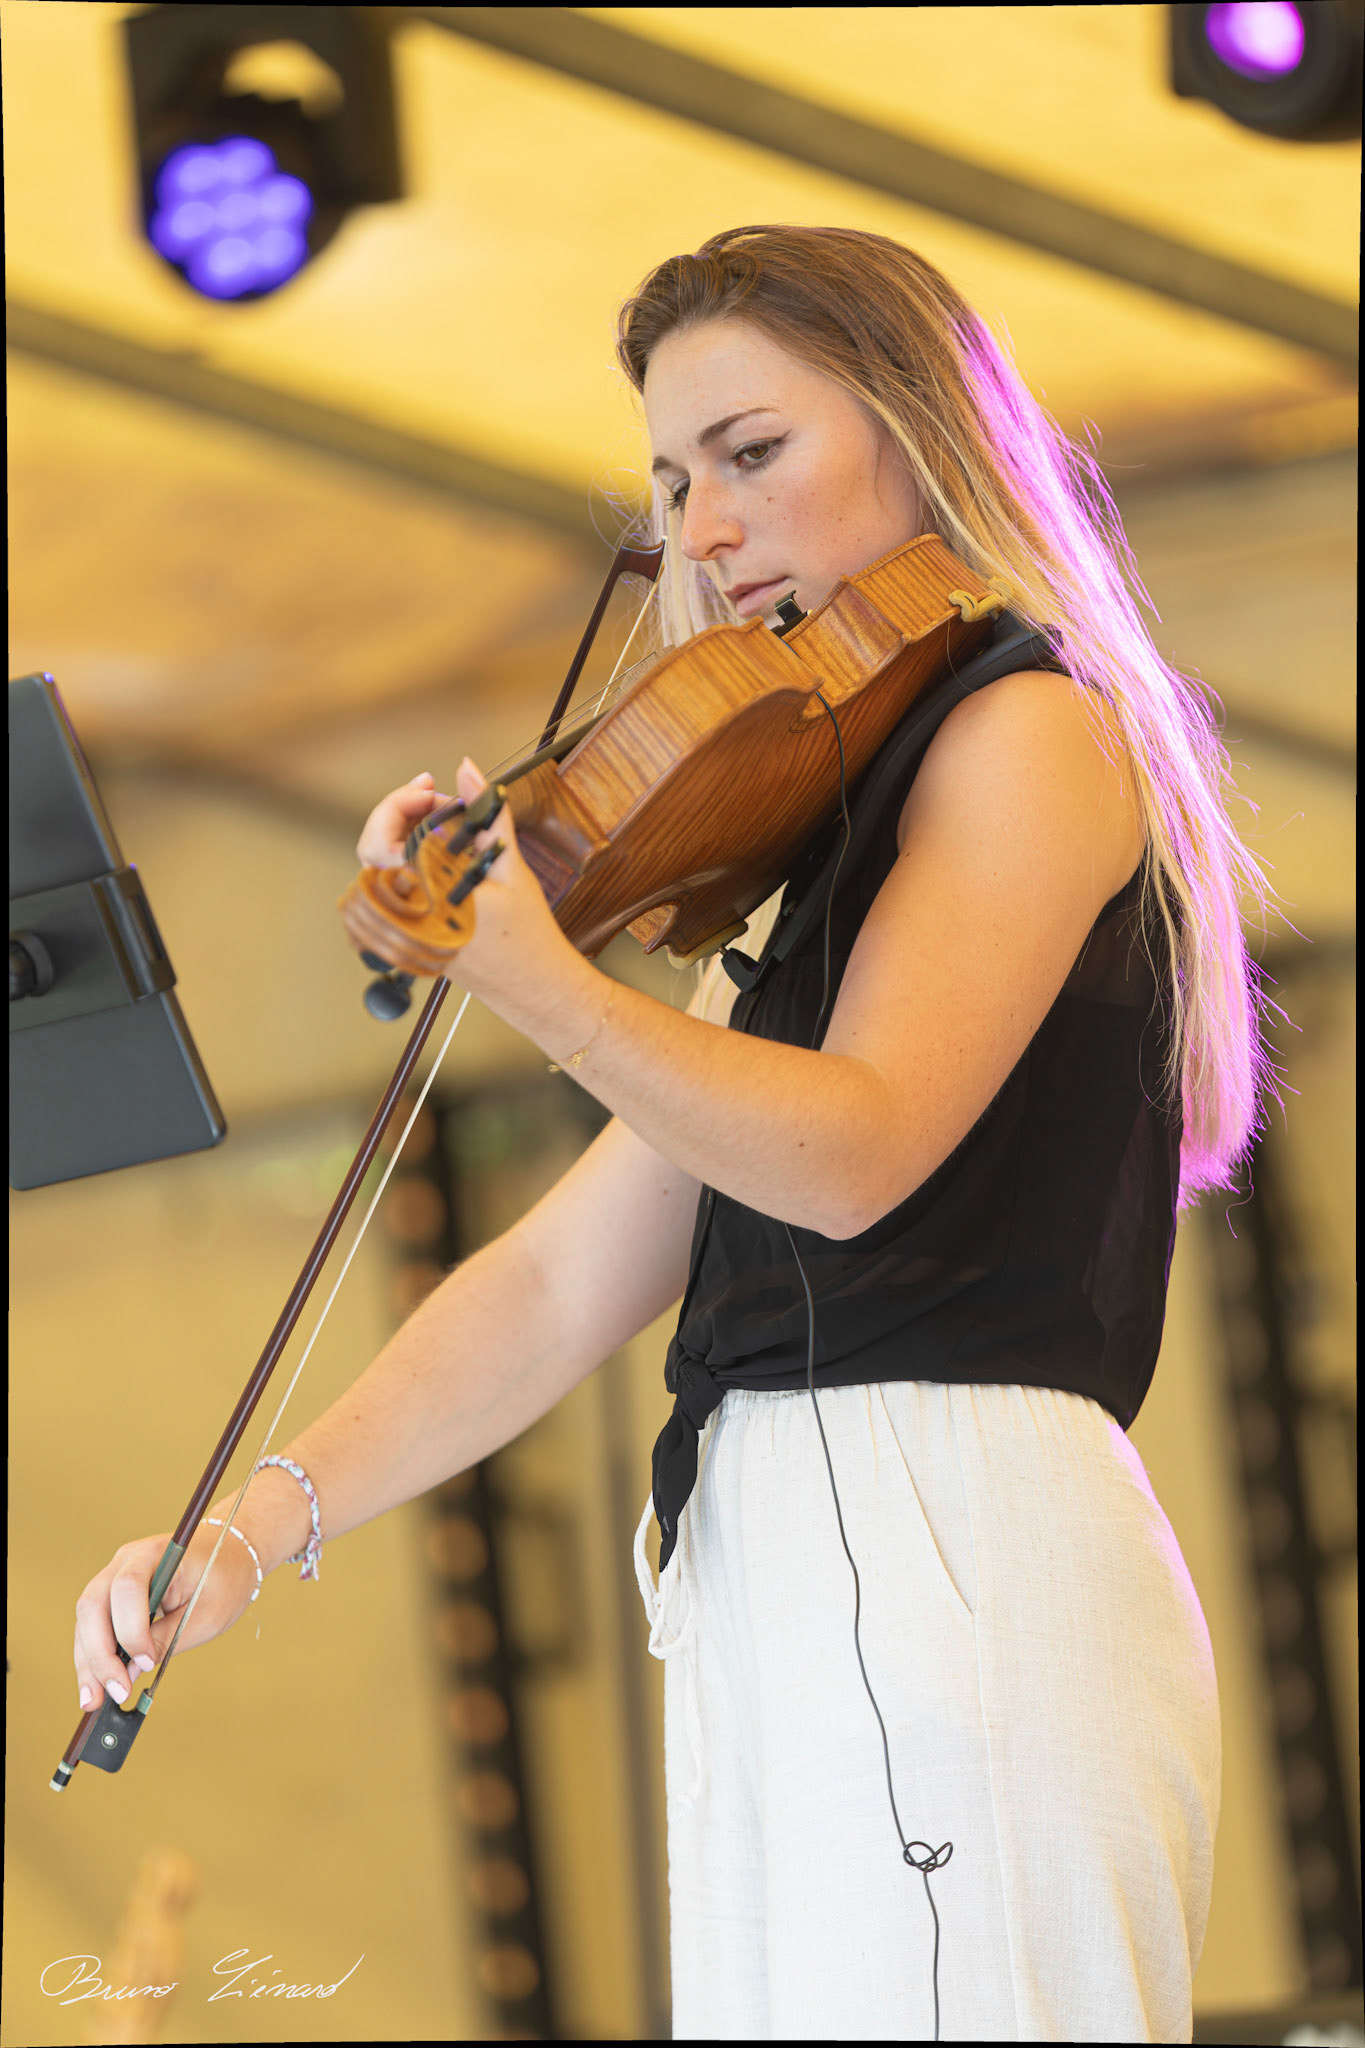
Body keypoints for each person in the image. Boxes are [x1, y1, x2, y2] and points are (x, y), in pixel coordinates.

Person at [73, 225, 1276, 2043]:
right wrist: (248, 1525)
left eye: (751, 452)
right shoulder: (821, 829)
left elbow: (851, 1155)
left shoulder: (1029, 733)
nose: (702, 529)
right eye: (669, 482)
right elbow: (564, 1275)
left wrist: (539, 978)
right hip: (794, 1567)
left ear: (917, 424)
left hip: (940, 1545)